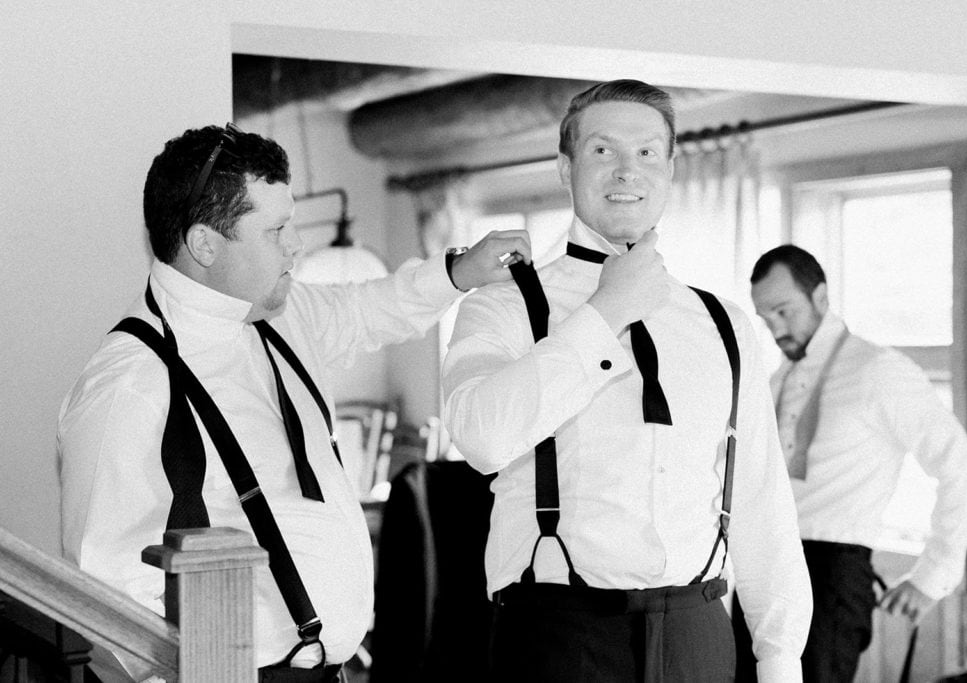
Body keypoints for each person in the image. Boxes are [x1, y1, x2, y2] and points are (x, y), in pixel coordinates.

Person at [57, 123, 531, 681]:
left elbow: (370, 308)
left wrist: (459, 272)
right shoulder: (129, 383)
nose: (297, 245)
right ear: (205, 243)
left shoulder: (283, 314)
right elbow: (105, 586)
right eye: (277, 229)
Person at [442, 79, 811, 683]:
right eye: (602, 151)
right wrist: (606, 312)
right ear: (566, 168)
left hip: (699, 633)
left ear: (669, 168)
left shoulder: (724, 324)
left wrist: (780, 658)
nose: (626, 171)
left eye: (646, 153)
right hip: (559, 636)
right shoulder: (503, 305)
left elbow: (761, 501)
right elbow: (481, 440)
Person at [744, 244, 967, 682]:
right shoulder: (776, 378)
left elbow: (961, 466)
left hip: (833, 575)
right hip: (766, 569)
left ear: (820, 296)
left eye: (783, 311)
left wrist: (932, 576)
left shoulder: (879, 371)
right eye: (765, 318)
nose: (775, 329)